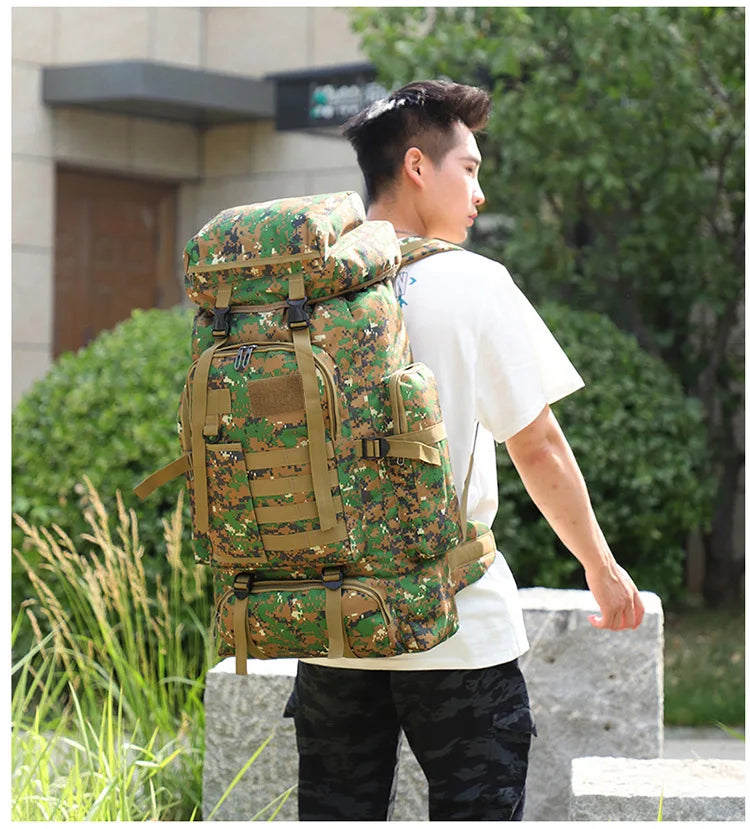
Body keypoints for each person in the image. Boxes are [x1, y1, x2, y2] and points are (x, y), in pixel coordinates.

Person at [283, 79, 645, 822]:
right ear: (418, 166)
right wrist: (601, 568)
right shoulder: (475, 284)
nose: (479, 192)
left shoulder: (299, 292)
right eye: (470, 168)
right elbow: (538, 446)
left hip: (330, 623)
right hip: (456, 626)